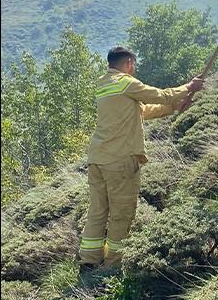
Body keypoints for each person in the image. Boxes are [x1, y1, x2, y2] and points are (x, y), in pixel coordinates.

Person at [79, 47, 203, 268]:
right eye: (133, 65)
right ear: (128, 63)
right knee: (122, 213)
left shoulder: (105, 85)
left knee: (97, 211)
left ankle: (88, 262)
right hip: (119, 160)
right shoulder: (126, 82)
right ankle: (112, 266)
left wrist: (174, 107)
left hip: (97, 159)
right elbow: (159, 94)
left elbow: (143, 111)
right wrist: (189, 88)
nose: (134, 69)